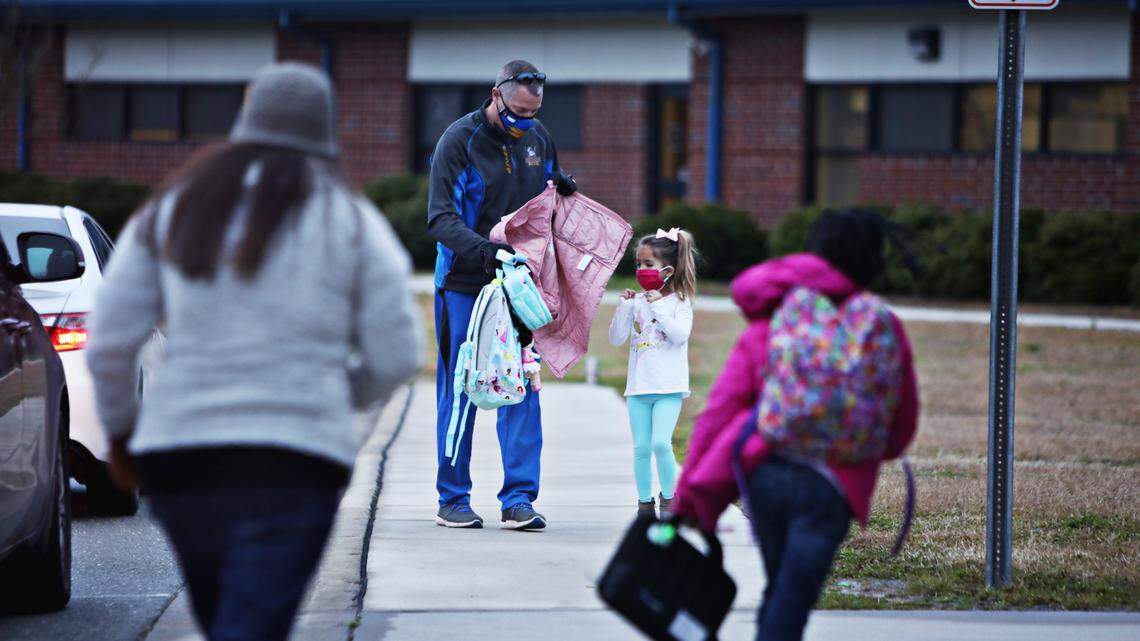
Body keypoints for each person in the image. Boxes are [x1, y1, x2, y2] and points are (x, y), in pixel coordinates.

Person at [86, 63, 422, 641]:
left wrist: (120, 432)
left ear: (246, 118)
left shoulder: (177, 206)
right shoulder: (352, 219)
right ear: (326, 129)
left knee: (227, 622)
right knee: (252, 625)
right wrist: (328, 394)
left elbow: (111, 340)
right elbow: (396, 354)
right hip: (295, 459)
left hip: (182, 455)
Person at [673, 209, 919, 641]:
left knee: (780, 587)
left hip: (768, 474)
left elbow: (720, 411)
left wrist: (691, 492)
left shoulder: (774, 323)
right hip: (835, 486)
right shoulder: (881, 325)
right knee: (793, 595)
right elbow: (902, 422)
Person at [427, 60, 577, 530]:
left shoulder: (537, 137)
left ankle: (518, 499)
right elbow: (439, 218)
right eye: (514, 116)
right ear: (496, 95)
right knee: (463, 386)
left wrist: (564, 186)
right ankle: (452, 498)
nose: (521, 126)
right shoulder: (459, 140)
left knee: (522, 385)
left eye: (530, 117)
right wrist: (483, 252)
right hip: (463, 282)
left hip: (518, 282)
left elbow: (547, 185)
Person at [608, 227, 697, 518]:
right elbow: (617, 338)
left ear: (668, 270)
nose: (642, 270)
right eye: (639, 264)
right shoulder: (636, 303)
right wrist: (624, 308)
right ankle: (644, 502)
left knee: (661, 442)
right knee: (642, 448)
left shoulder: (680, 303)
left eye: (649, 265)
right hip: (638, 388)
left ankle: (669, 497)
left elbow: (679, 335)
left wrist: (657, 307)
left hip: (669, 387)